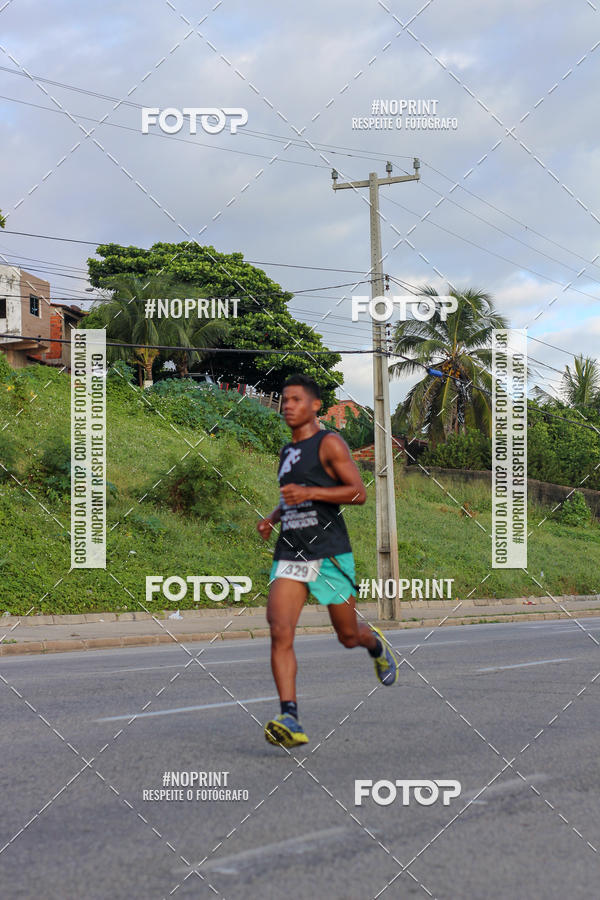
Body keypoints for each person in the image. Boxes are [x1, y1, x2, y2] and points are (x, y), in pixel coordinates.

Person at [257, 374, 399, 749]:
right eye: (284, 400)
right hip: (291, 551)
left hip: (330, 553)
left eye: (296, 400)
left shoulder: (330, 443)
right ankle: (290, 715)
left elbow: (357, 492)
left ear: (315, 405)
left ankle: (374, 645)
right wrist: (272, 517)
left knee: (347, 635)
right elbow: (293, 497)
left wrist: (310, 491)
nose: (288, 405)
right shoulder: (287, 453)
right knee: (279, 628)